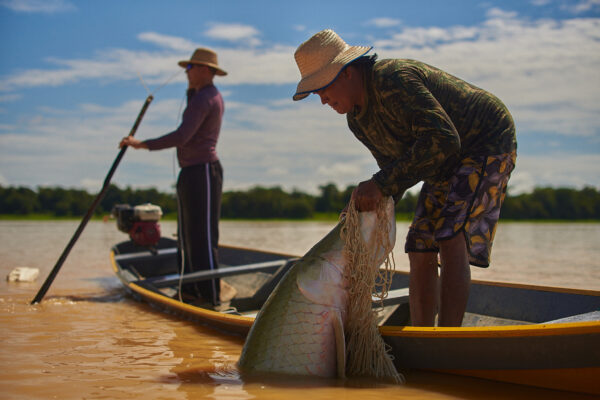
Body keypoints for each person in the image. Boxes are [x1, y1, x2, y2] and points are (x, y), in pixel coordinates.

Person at [293, 29, 517, 327]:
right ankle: (423, 333)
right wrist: (364, 207)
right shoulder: (357, 122)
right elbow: (395, 171)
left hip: (485, 141)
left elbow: (444, 138)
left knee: (450, 233)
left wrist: (381, 184)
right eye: (316, 93)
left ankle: (448, 338)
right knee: (419, 243)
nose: (322, 100)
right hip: (444, 160)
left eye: (323, 88)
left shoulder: (393, 79)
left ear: (347, 72)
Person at [120, 48, 227, 307]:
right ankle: (190, 290)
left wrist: (141, 144)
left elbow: (182, 136)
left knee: (202, 236)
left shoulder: (206, 98)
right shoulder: (198, 96)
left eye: (191, 68)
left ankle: (211, 298)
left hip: (203, 171)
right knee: (186, 235)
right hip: (190, 172)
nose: (186, 73)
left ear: (206, 70)